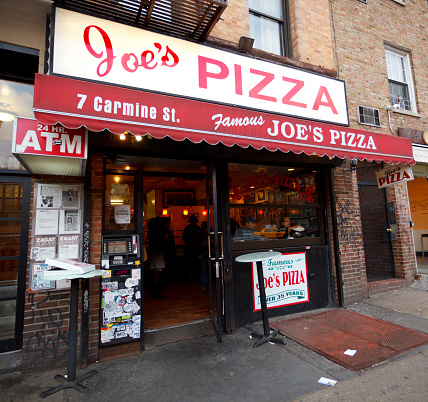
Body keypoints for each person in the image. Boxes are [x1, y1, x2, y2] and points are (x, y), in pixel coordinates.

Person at [147, 217, 170, 298]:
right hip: (158, 252)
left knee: (154, 272)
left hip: (152, 252)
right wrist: (165, 239)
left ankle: (153, 291)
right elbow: (162, 242)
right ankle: (155, 292)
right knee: (158, 272)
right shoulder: (160, 231)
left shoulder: (151, 231)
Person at [182, 215, 201, 285]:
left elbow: (183, 238)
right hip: (195, 249)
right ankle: (194, 279)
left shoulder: (187, 228)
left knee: (188, 265)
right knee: (195, 265)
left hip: (188, 248)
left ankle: (189, 280)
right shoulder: (198, 228)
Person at [197, 221, 209, 294]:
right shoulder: (203, 234)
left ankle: (205, 284)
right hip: (205, 253)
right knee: (204, 269)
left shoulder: (201, 233)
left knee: (204, 270)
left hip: (204, 253)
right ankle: (205, 283)